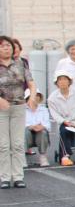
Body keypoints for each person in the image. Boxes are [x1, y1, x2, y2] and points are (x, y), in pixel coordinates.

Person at [0, 34, 39, 188]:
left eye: (8, 45)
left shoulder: (21, 64)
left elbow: (31, 83)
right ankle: (4, 177)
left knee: (17, 144)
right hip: (1, 109)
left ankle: (17, 176)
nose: (6, 48)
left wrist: (32, 97)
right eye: (2, 46)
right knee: (3, 144)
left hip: (18, 106)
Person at [25, 92, 51, 167]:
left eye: (37, 96)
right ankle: (22, 158)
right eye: (32, 96)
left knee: (43, 132)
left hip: (39, 134)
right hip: (28, 134)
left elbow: (48, 125)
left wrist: (42, 126)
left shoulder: (44, 109)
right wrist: (31, 126)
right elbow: (21, 124)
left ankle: (43, 156)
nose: (35, 98)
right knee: (24, 131)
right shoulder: (22, 110)